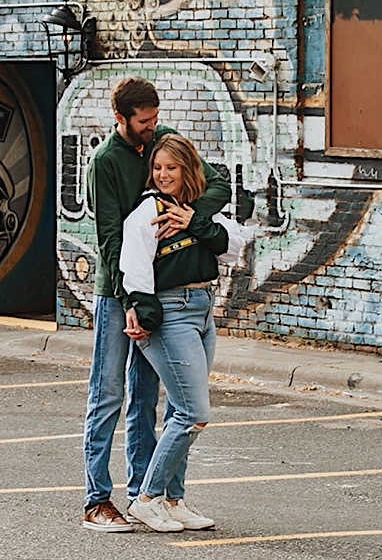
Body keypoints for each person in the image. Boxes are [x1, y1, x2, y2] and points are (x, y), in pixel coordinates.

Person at [82, 78, 230, 533]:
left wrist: (185, 213)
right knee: (108, 394)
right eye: (143, 122)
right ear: (121, 119)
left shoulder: (162, 142)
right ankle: (97, 501)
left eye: (154, 118)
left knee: (150, 399)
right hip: (119, 293)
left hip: (160, 290)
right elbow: (110, 238)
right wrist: (131, 302)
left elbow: (216, 183)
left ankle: (151, 496)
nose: (151, 129)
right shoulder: (105, 162)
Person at [119, 134, 227, 532]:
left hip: (202, 310)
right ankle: (146, 499)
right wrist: (141, 312)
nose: (163, 175)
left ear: (188, 171)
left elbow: (234, 245)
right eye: (158, 168)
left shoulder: (194, 211)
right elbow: (133, 265)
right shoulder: (147, 212)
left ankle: (174, 500)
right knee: (194, 413)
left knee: (180, 411)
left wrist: (196, 222)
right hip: (169, 314)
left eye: (172, 168)